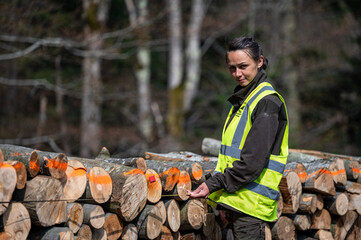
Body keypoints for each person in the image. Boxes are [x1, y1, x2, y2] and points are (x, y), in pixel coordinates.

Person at [187, 37, 289, 240]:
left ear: (260, 62)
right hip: (239, 203)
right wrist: (225, 199)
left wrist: (213, 185)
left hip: (251, 209)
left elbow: (252, 163)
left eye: (243, 66)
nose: (237, 74)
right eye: (232, 68)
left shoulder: (266, 102)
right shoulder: (245, 99)